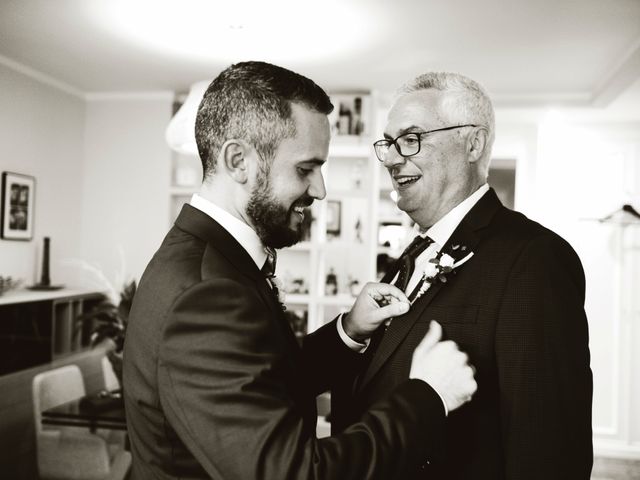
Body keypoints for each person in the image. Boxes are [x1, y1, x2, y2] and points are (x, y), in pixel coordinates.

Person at [123, 61, 477, 480]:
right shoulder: (204, 293)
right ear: (239, 161)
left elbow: (263, 379)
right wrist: (429, 396)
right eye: (305, 169)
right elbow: (291, 473)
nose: (320, 190)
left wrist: (349, 330)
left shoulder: (215, 260)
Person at [331, 72, 593, 479]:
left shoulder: (534, 259)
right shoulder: (409, 256)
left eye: (412, 138)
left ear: (473, 143)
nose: (393, 159)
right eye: (389, 143)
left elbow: (549, 445)